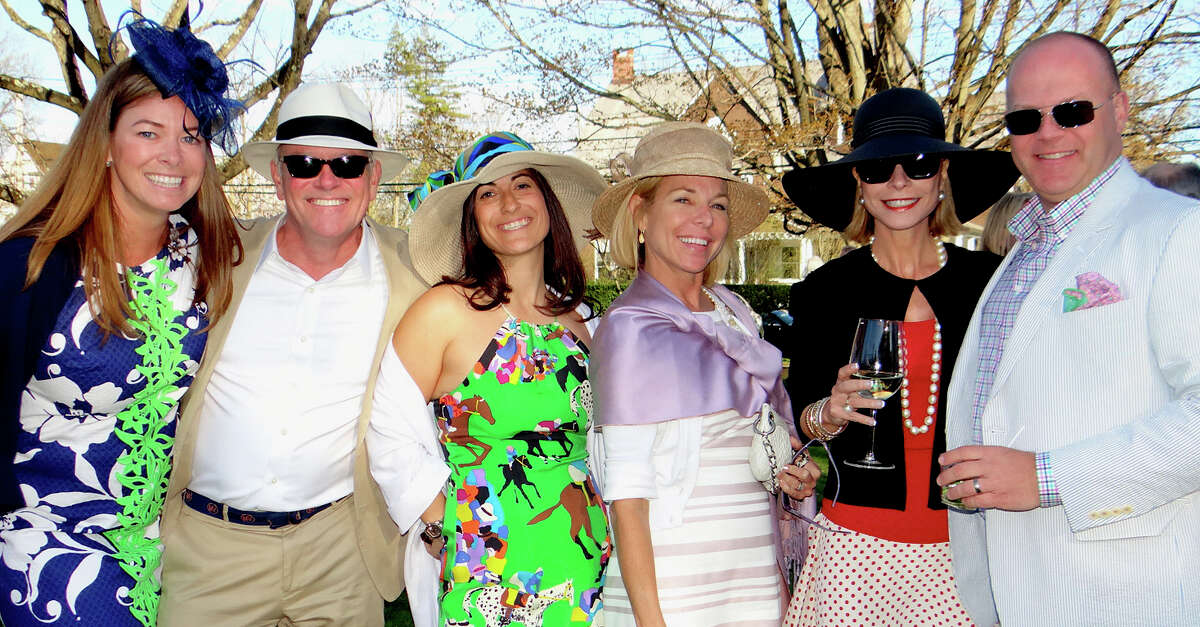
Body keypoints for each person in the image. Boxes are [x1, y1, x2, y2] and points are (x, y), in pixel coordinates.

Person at [938, 31, 1200, 626]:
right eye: (1026, 118)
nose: (1048, 133)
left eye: (1073, 111)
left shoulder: (1180, 231)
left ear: (1121, 110)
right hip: (1010, 590)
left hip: (1128, 597)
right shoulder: (1025, 249)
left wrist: (1048, 476)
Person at [0, 13, 243, 626]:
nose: (172, 154)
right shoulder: (35, 264)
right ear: (105, 143)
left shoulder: (200, 255)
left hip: (145, 547)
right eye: (147, 131)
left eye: (191, 135)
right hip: (38, 535)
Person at [157, 82, 424, 626]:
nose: (326, 180)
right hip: (210, 550)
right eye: (303, 163)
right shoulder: (212, 256)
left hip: (341, 553)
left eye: (348, 163)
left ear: (373, 178)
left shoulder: (414, 273)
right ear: (278, 177)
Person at [778, 87, 1020, 626]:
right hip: (856, 551)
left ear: (942, 177)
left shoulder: (992, 284)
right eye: (878, 168)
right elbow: (804, 421)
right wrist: (830, 412)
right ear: (858, 185)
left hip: (968, 548)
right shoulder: (824, 291)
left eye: (917, 163)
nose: (898, 182)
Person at [590, 121, 820, 627]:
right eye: (683, 199)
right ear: (641, 213)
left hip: (754, 579)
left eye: (717, 204)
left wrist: (790, 476)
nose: (705, 219)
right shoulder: (630, 328)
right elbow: (627, 499)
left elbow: (753, 445)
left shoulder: (735, 312)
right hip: (675, 587)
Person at [377, 132, 611, 626]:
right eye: (487, 192)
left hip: (584, 557)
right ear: (473, 218)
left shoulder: (584, 321)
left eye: (522, 185)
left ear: (547, 204)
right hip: (487, 564)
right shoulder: (445, 310)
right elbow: (387, 430)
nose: (508, 203)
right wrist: (446, 522)